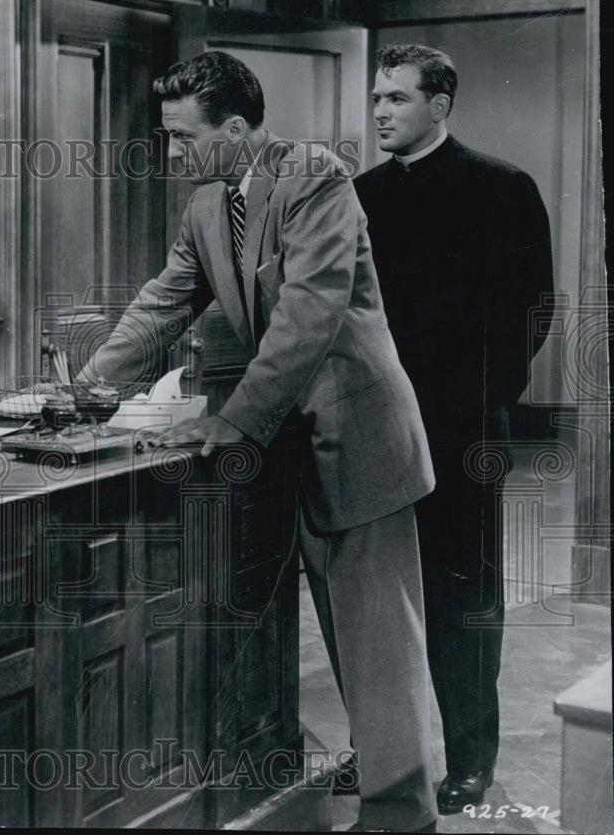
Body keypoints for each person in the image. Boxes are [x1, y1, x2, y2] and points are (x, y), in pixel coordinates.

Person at [79, 51, 438, 833]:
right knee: (347, 640)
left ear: (235, 128)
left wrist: (233, 420)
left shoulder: (315, 178)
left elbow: (307, 316)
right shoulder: (209, 205)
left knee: (378, 645)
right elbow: (160, 306)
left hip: (359, 435)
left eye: (182, 139)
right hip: (292, 443)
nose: (172, 155)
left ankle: (403, 813)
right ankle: (386, 776)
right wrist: (87, 390)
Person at [353, 44, 554, 814]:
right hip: (373, 428)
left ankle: (470, 758)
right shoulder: (359, 194)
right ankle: (387, 752)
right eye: (377, 97)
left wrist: (478, 408)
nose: (380, 111)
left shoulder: (501, 187)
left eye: (397, 99)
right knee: (376, 597)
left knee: (463, 596)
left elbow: (528, 315)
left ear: (440, 105)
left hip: (461, 431)